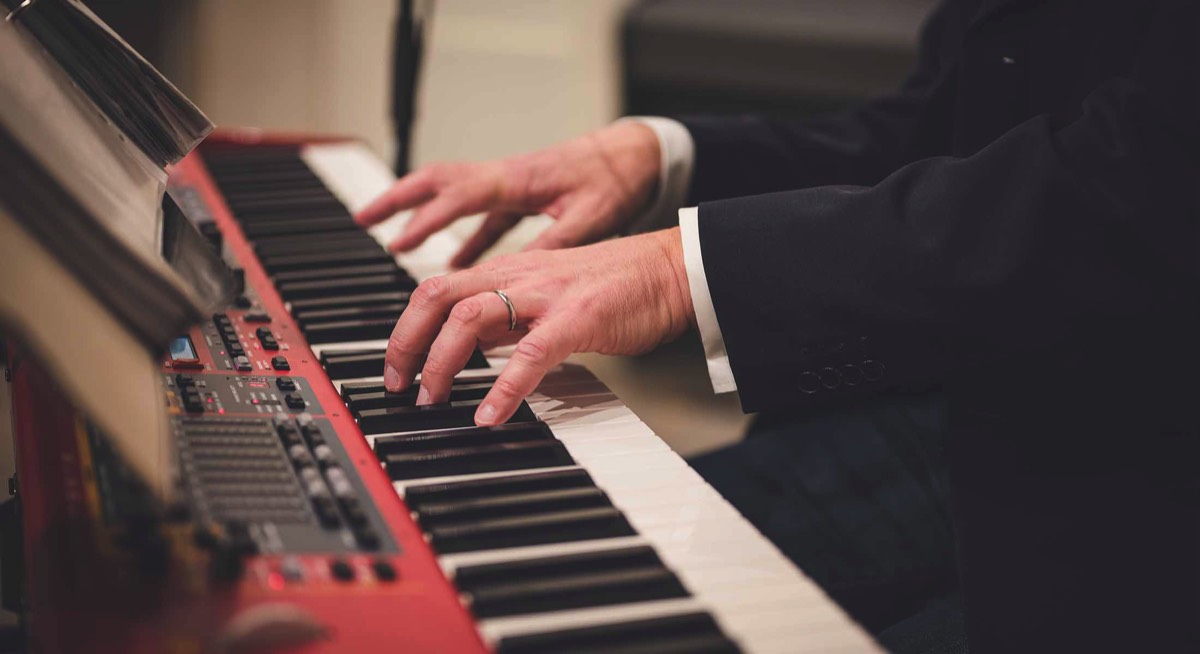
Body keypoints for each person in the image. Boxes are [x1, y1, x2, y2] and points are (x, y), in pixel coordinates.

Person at [356, 0, 1198, 651]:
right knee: (527, 585)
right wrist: (662, 155)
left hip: (1141, 493)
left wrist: (679, 271)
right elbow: (947, 135)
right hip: (998, 417)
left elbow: (1131, 195)